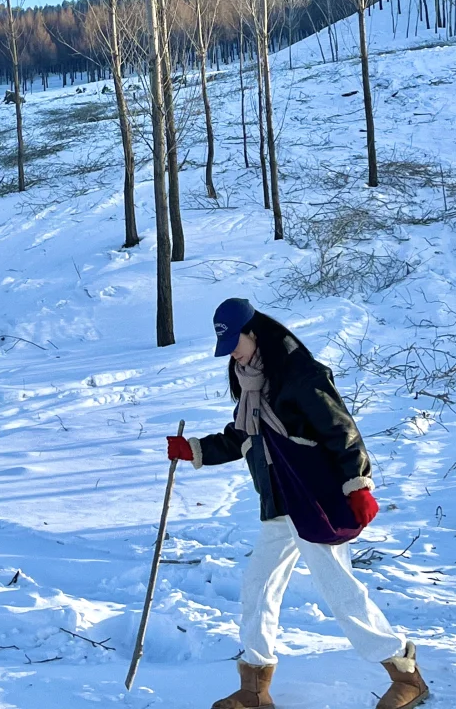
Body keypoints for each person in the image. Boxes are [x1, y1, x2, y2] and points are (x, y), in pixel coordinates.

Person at [167, 297, 429, 709]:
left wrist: (358, 485)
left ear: (255, 333)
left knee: (339, 589)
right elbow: (243, 436)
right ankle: (255, 686)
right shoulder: (251, 382)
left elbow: (341, 430)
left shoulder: (301, 374)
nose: (233, 354)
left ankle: (405, 673)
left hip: (312, 500)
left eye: (236, 343)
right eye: (227, 347)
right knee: (258, 588)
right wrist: (194, 449)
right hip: (279, 503)